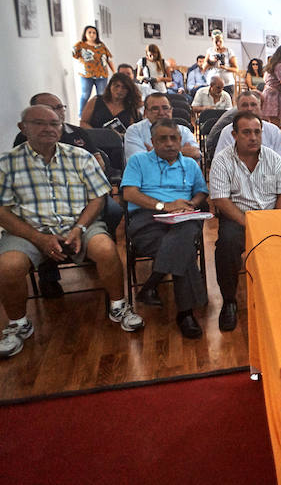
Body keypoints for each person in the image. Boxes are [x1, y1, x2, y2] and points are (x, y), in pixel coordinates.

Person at [0, 105, 143, 359]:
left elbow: (98, 198)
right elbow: (3, 211)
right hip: (29, 231)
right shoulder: (7, 163)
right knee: (8, 265)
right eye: (40, 123)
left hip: (79, 224)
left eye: (54, 124)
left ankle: (118, 307)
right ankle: (18, 324)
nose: (48, 129)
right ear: (23, 128)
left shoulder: (80, 157)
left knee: (106, 248)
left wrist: (79, 227)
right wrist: (39, 238)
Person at [12, 94, 123, 297]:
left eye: (59, 108)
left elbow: (98, 161)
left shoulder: (77, 134)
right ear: (24, 127)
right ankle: (49, 275)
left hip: (83, 193)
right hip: (40, 213)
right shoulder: (19, 148)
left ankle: (89, 250)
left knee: (114, 211)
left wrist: (87, 174)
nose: (56, 114)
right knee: (13, 259)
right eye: (47, 112)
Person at [121, 119, 209, 339]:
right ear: (152, 142)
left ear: (180, 140)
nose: (169, 143)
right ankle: (183, 311)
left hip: (184, 217)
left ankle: (161, 292)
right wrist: (164, 206)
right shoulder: (138, 161)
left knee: (185, 232)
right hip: (146, 218)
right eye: (163, 139)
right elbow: (129, 194)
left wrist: (191, 204)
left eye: (173, 138)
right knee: (184, 248)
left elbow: (201, 192)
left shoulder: (190, 164)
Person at [209, 111, 281, 331]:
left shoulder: (272, 157)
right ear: (235, 135)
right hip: (238, 217)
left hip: (270, 215)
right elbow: (220, 199)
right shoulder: (222, 160)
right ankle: (229, 301)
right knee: (226, 246)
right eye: (246, 132)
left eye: (257, 132)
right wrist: (250, 223)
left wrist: (272, 221)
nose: (253, 137)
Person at [124, 92, 200, 161]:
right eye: (155, 109)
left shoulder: (183, 130)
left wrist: (154, 153)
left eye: (165, 108)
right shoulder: (134, 131)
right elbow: (138, 161)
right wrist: (181, 152)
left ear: (171, 110)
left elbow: (195, 153)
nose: (161, 113)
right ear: (145, 112)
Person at [72, 25, 115, 113]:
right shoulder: (80, 45)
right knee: (85, 94)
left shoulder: (101, 45)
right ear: (85, 34)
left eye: (94, 33)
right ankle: (81, 114)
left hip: (101, 74)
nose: (92, 35)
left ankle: (101, 113)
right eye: (89, 32)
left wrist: (114, 72)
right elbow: (74, 55)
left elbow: (109, 59)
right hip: (86, 75)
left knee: (102, 96)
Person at [204, 30, 238, 95]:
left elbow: (236, 69)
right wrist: (211, 61)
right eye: (216, 41)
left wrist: (225, 67)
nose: (218, 44)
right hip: (213, 84)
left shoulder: (229, 51)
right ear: (212, 40)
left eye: (220, 41)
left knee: (227, 103)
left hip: (227, 83)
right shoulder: (209, 51)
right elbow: (203, 68)